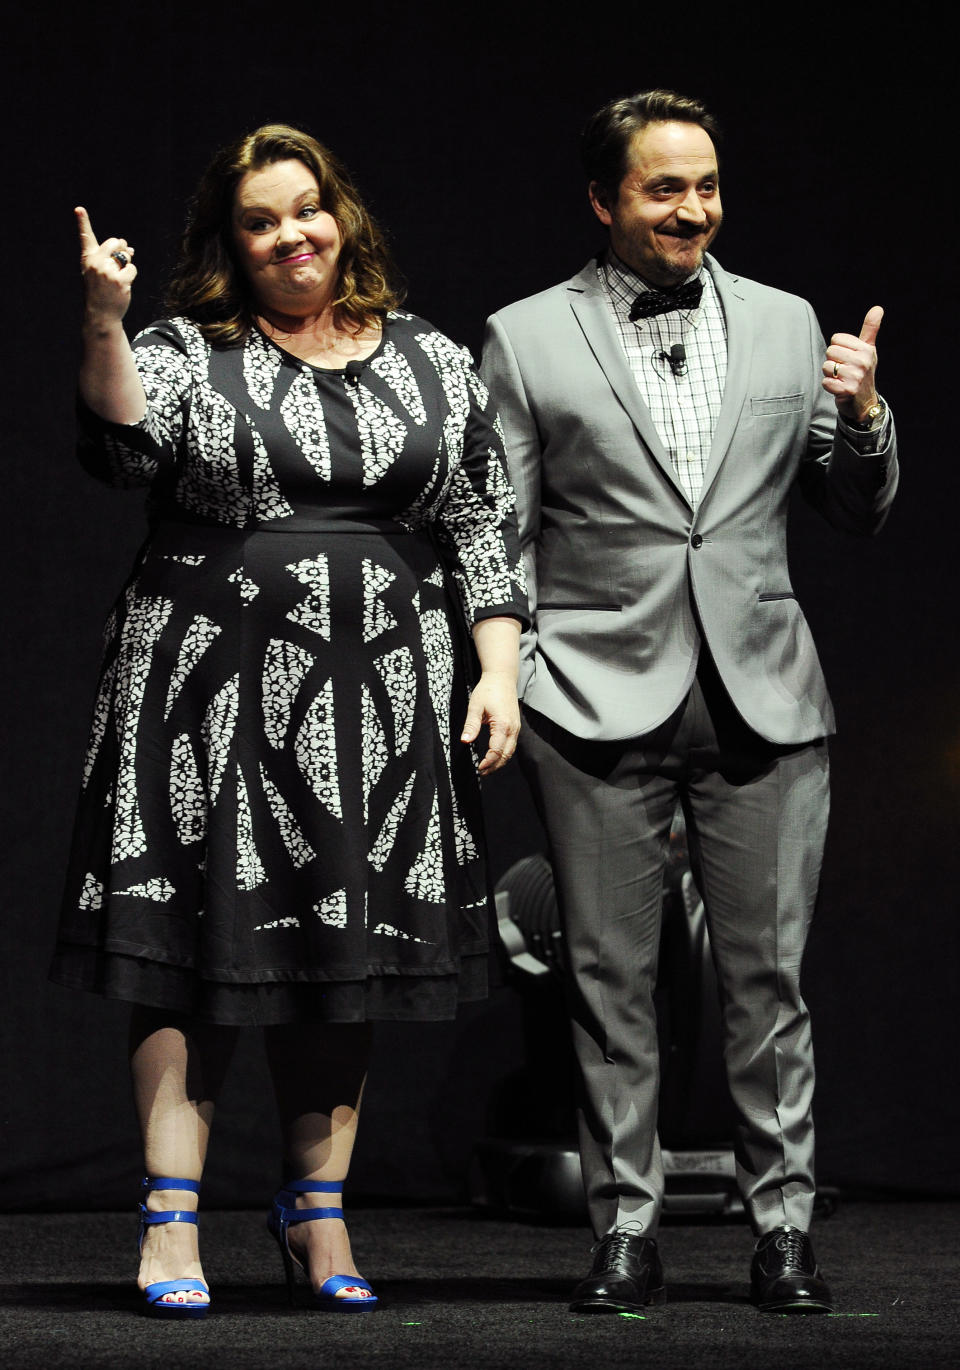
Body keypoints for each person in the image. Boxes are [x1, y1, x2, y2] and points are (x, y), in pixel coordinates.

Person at [51, 123, 525, 1318]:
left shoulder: (427, 353)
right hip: (207, 684)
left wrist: (498, 667)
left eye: (303, 210)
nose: (288, 236)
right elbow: (119, 448)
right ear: (229, 241)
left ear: (341, 214)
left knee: (343, 952)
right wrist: (104, 319)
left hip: (385, 691)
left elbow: (478, 518)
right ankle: (171, 1221)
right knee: (195, 950)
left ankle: (319, 1215)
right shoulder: (183, 348)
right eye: (258, 221)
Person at [480, 89, 897, 1315]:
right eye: (665, 189)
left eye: (707, 185)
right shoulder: (525, 335)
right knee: (610, 987)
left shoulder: (785, 322)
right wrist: (516, 665)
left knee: (769, 984)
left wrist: (865, 415)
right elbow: (496, 529)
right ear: (604, 200)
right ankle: (624, 1229)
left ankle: (782, 1229)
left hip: (764, 697)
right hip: (598, 699)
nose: (694, 209)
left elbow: (855, 505)